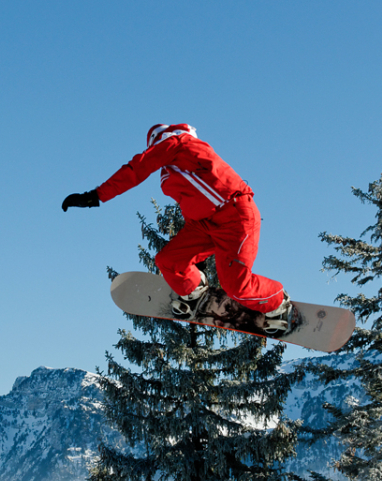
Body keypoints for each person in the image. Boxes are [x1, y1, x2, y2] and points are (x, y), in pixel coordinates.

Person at [62, 123, 294, 334]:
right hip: (204, 225)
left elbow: (136, 169)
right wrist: (195, 254)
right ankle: (194, 290)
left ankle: (278, 303)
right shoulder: (174, 168)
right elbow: (196, 200)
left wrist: (95, 196)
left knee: (236, 285)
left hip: (235, 215)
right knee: (169, 260)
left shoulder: (177, 144)